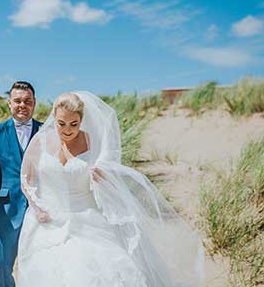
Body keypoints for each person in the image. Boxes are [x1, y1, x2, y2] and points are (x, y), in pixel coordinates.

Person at [17, 91, 204, 287]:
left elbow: (106, 173)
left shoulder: (91, 141)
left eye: (74, 124)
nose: (67, 130)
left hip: (87, 219)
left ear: (81, 120)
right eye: (61, 123)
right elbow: (26, 178)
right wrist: (37, 209)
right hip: (48, 221)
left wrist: (100, 178)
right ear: (54, 117)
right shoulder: (40, 141)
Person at [0, 81, 42, 287]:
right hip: (4, 209)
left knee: (38, 261)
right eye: (18, 101)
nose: (23, 105)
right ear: (9, 104)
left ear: (34, 103)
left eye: (27, 101)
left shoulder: (46, 131)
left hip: (41, 207)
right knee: (2, 263)